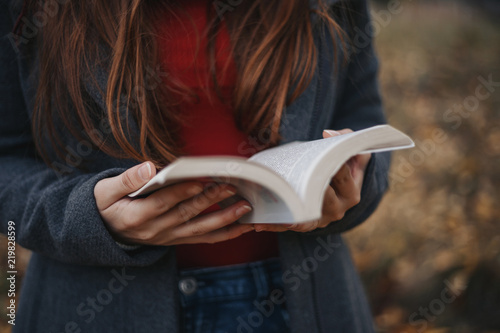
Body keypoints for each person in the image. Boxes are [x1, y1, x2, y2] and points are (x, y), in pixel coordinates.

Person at [0, 0, 390, 332]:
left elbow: (365, 117)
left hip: (309, 298)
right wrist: (85, 217)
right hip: (96, 307)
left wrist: (354, 181)